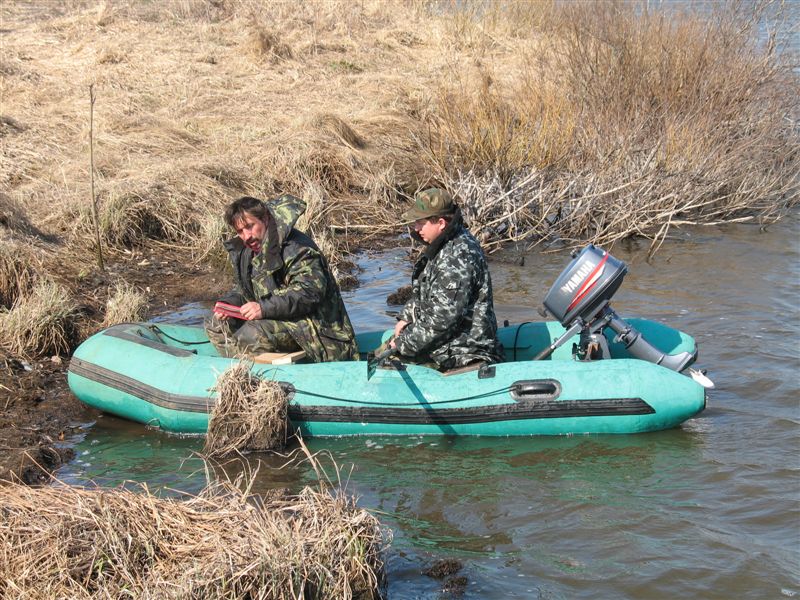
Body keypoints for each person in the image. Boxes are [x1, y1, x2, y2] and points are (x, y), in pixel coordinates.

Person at [206, 194, 358, 363]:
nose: (246, 236)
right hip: (280, 321)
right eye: (240, 231)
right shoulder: (250, 252)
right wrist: (228, 304)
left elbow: (309, 292)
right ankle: (239, 368)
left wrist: (263, 308)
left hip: (318, 331)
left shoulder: (298, 249)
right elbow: (245, 290)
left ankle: (270, 372)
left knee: (252, 333)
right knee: (215, 324)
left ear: (265, 219)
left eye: (250, 226)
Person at [387, 187, 504, 370]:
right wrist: (406, 316)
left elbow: (442, 319)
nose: (416, 228)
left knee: (388, 364)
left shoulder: (457, 257)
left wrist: (404, 344)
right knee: (388, 349)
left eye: (420, 223)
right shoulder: (442, 244)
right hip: (447, 343)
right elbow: (425, 293)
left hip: (463, 350)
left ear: (441, 223)